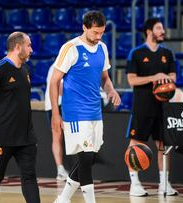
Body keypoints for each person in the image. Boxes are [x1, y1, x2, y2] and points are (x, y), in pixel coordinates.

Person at [50, 10, 120, 203]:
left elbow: (105, 78)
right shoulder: (71, 48)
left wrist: (111, 90)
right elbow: (54, 81)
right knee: (86, 159)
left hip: (95, 112)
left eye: (102, 32)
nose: (99, 36)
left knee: (88, 158)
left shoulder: (103, 48)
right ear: (84, 27)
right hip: (75, 113)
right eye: (95, 32)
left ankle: (63, 199)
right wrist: (56, 114)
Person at [0, 32, 40, 203]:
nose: (31, 50)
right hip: (3, 136)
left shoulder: (26, 70)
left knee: (29, 177)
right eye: (29, 45)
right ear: (18, 47)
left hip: (26, 137)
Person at [125, 18, 178, 197]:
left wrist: (166, 79)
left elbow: (173, 78)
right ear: (149, 31)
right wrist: (154, 77)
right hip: (142, 107)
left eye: (162, 28)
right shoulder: (136, 53)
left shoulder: (168, 53)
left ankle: (164, 183)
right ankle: (135, 184)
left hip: (163, 107)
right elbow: (131, 80)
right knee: (135, 144)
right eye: (158, 28)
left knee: (164, 145)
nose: (162, 31)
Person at [45, 64, 69, 181]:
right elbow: (59, 89)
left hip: (67, 104)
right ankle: (60, 170)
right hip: (55, 105)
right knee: (57, 136)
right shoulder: (57, 65)